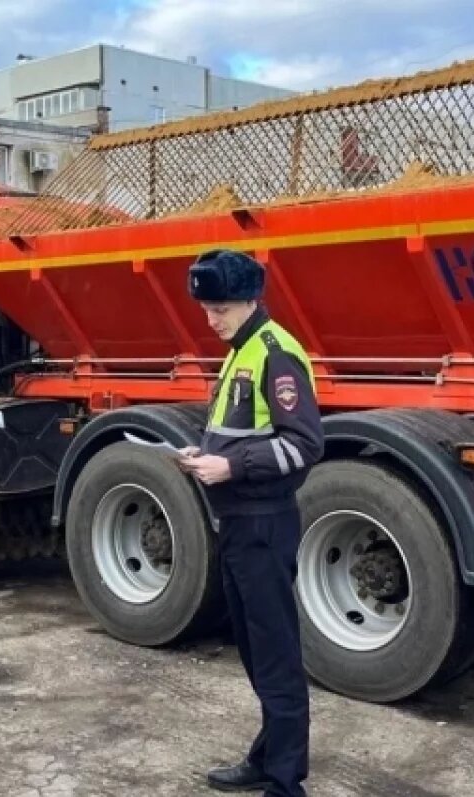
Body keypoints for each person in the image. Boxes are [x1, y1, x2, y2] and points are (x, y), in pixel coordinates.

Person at [178, 250, 325, 797]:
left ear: (248, 299)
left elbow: (305, 445)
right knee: (253, 646)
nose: (209, 319)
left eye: (218, 308)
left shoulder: (273, 354)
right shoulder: (240, 351)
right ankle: (269, 757)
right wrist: (205, 452)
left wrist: (231, 466)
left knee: (276, 652)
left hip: (264, 524)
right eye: (205, 308)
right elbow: (245, 431)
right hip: (239, 523)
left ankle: (286, 783)